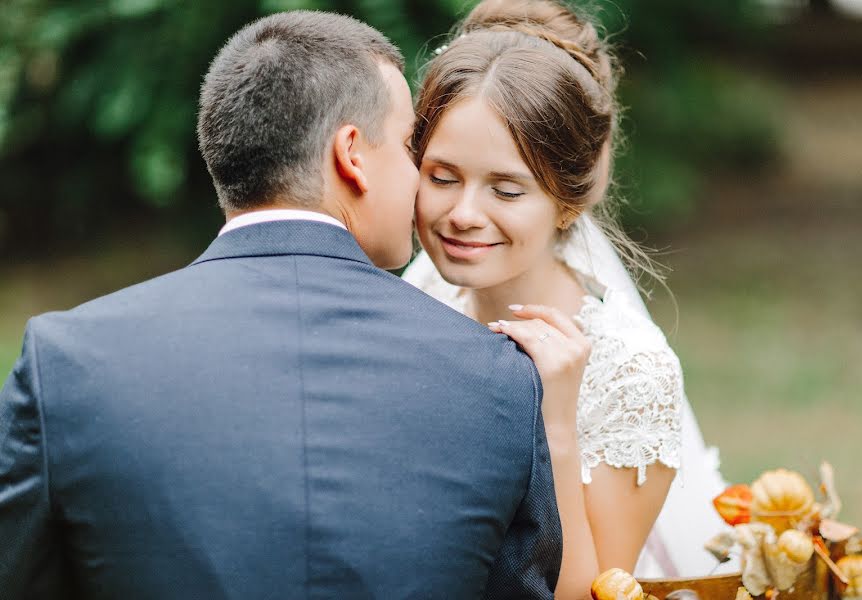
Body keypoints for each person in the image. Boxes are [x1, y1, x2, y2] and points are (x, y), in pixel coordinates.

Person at [0, 11, 563, 599]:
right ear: (352, 156)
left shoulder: (66, 363)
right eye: (408, 146)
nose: (420, 176)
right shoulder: (498, 380)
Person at [403, 0, 729, 593]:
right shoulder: (422, 290)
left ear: (567, 201)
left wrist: (556, 427)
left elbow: (590, 592)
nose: (463, 214)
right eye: (442, 177)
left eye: (506, 189)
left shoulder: (631, 373)